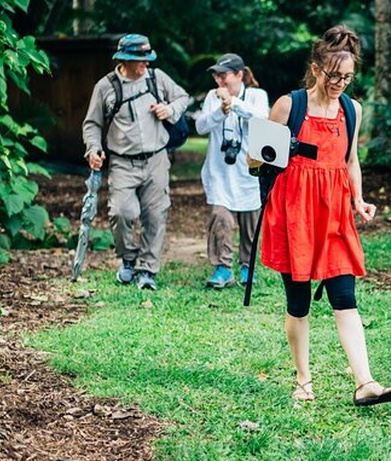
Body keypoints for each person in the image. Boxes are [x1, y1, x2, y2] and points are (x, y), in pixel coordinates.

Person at [258, 25, 391, 406]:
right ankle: (303, 380)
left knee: (344, 295)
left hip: (335, 212)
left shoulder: (351, 110)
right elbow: (255, 160)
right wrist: (271, 151)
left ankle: (365, 382)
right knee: (298, 301)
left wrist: (358, 198)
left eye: (348, 76)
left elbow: (350, 160)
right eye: (334, 75)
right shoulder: (289, 106)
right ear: (317, 68)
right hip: (294, 211)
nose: (341, 82)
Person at [82, 34, 190, 290]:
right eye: (141, 60)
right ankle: (128, 259)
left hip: (156, 159)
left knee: (156, 215)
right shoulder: (106, 86)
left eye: (147, 59)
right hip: (122, 162)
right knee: (122, 212)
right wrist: (93, 148)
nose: (146, 64)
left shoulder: (157, 78)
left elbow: (182, 97)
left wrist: (169, 110)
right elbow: (92, 124)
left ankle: (148, 270)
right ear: (125, 60)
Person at [195, 53, 269, 289]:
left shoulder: (257, 95)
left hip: (248, 170)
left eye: (223, 75)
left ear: (239, 75)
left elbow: (263, 119)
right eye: (216, 75)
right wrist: (221, 110)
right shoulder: (211, 97)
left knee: (250, 222)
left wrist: (234, 103)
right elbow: (200, 126)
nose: (219, 80)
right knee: (220, 216)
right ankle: (223, 267)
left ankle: (248, 266)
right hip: (219, 171)